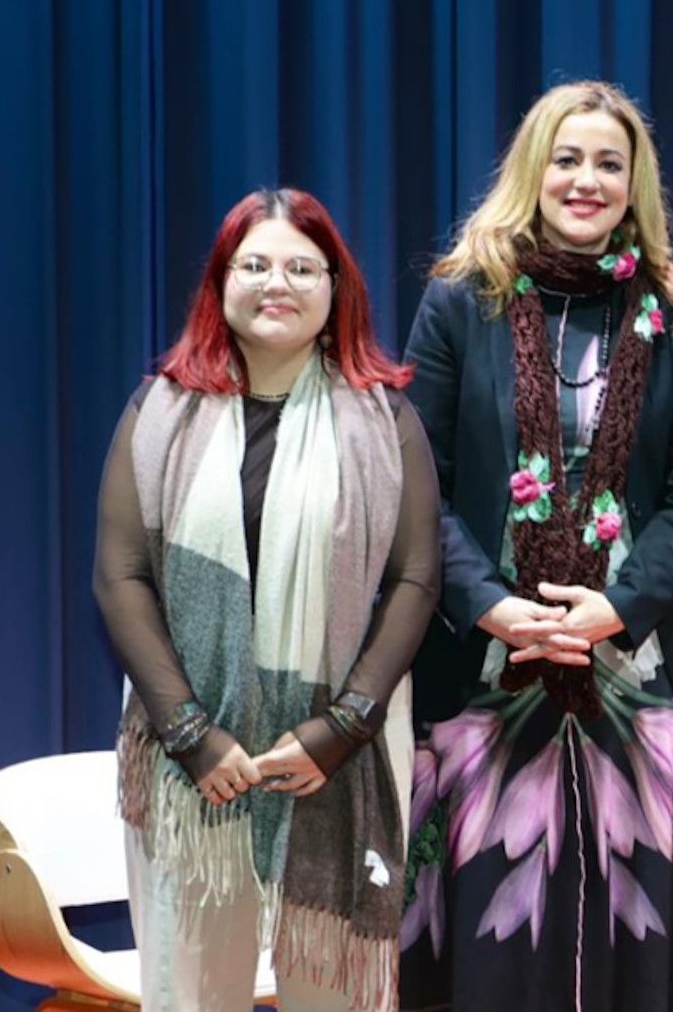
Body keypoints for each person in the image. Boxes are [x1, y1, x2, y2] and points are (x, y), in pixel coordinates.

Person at [397, 80, 673, 1012]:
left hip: (636, 661)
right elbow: (416, 481)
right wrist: (497, 606)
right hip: (486, 666)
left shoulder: (672, 312)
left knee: (646, 933)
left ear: (636, 186)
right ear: (532, 170)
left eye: (609, 164)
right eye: (568, 159)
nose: (586, 180)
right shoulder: (459, 304)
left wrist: (619, 607)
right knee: (489, 940)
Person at [95, 187, 441, 1012]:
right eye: (254, 264)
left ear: (335, 289)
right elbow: (122, 578)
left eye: (300, 266)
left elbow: (416, 580)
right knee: (192, 996)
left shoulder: (385, 422)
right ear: (221, 284)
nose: (275, 283)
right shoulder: (158, 415)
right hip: (194, 768)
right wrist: (189, 734)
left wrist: (341, 728)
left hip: (336, 759)